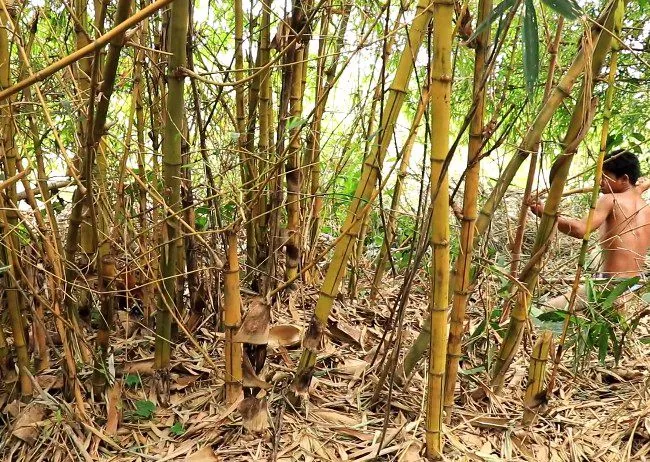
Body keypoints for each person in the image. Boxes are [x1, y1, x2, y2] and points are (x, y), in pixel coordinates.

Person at [529, 150, 650, 311]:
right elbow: (632, 191)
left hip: (608, 288)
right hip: (634, 289)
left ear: (624, 179)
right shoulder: (645, 207)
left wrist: (546, 214)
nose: (599, 181)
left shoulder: (610, 199)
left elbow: (581, 230)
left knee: (541, 311)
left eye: (605, 176)